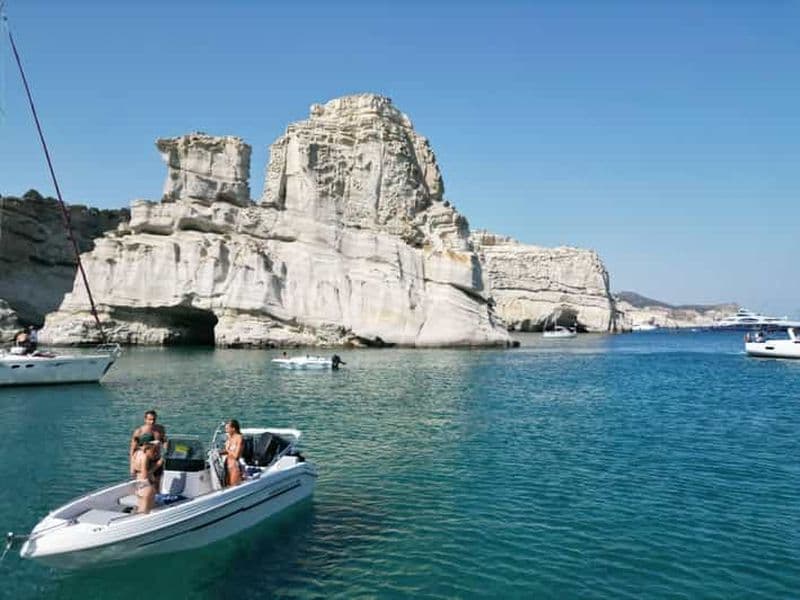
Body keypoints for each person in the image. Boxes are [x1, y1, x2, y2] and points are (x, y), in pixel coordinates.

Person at [129, 410, 167, 487]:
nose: (152, 422)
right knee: (144, 485)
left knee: (157, 485)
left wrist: (166, 453)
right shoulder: (139, 431)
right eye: (150, 419)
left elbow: (164, 442)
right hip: (145, 462)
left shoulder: (160, 429)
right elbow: (133, 449)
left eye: (154, 419)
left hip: (157, 460)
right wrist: (132, 467)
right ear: (145, 419)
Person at [132, 433, 163, 514]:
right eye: (152, 444)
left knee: (140, 511)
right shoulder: (144, 456)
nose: (153, 446)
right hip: (146, 487)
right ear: (146, 444)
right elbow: (145, 475)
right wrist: (157, 465)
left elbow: (134, 471)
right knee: (145, 513)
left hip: (138, 485)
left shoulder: (136, 453)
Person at [219, 419, 243, 487]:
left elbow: (236, 455)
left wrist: (227, 450)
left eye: (227, 428)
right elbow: (227, 451)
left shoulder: (239, 438)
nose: (226, 430)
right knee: (225, 486)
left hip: (234, 467)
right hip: (226, 465)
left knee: (233, 486)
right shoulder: (229, 437)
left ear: (233, 429)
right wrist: (218, 453)